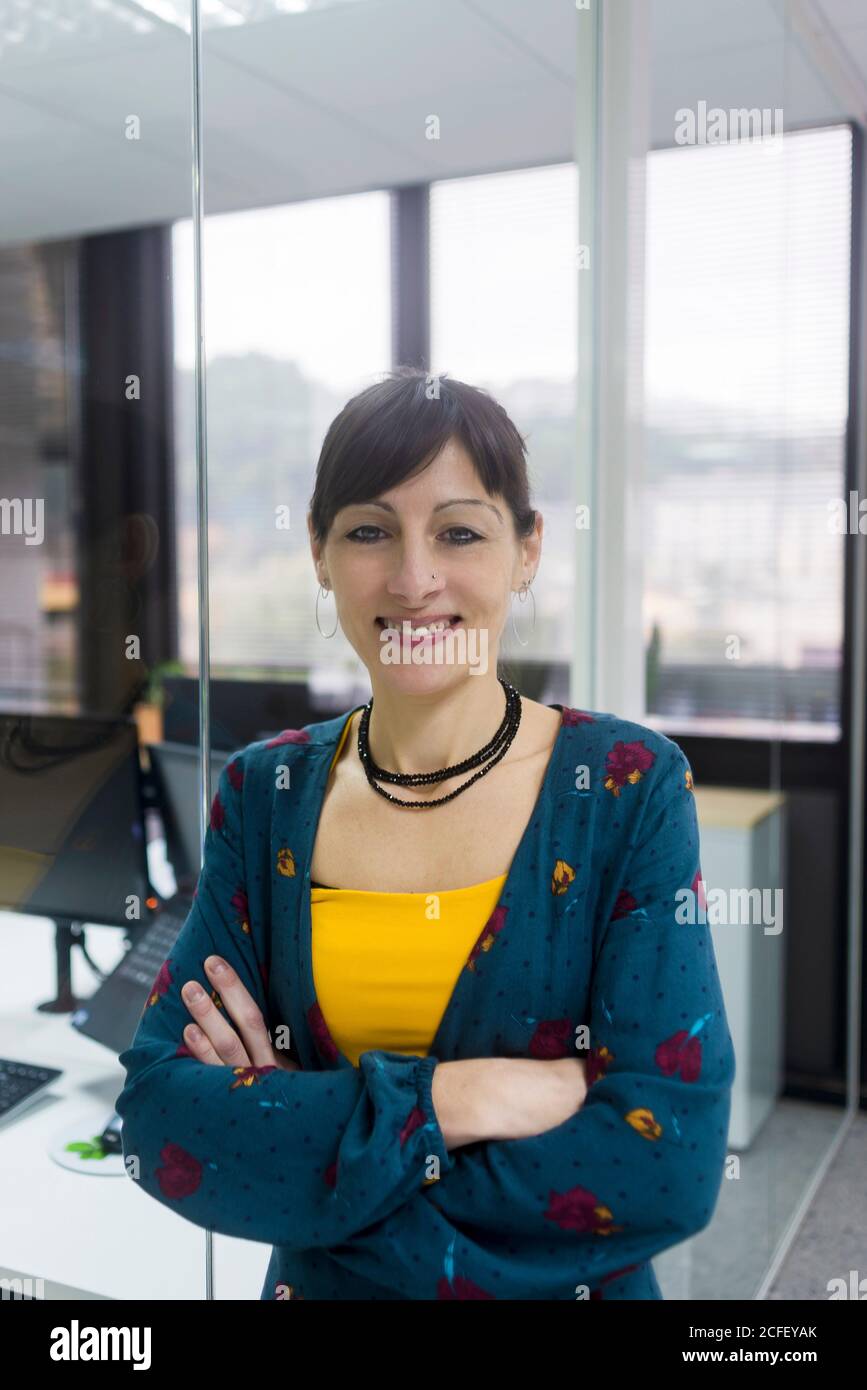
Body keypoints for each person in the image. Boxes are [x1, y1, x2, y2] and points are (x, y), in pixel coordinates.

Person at [116, 367, 736, 1300]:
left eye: (458, 532)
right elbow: (161, 1123)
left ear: (525, 551)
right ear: (319, 555)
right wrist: (457, 1099)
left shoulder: (623, 789)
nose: (414, 580)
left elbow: (668, 1163)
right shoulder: (265, 793)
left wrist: (314, 1156)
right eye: (369, 531)